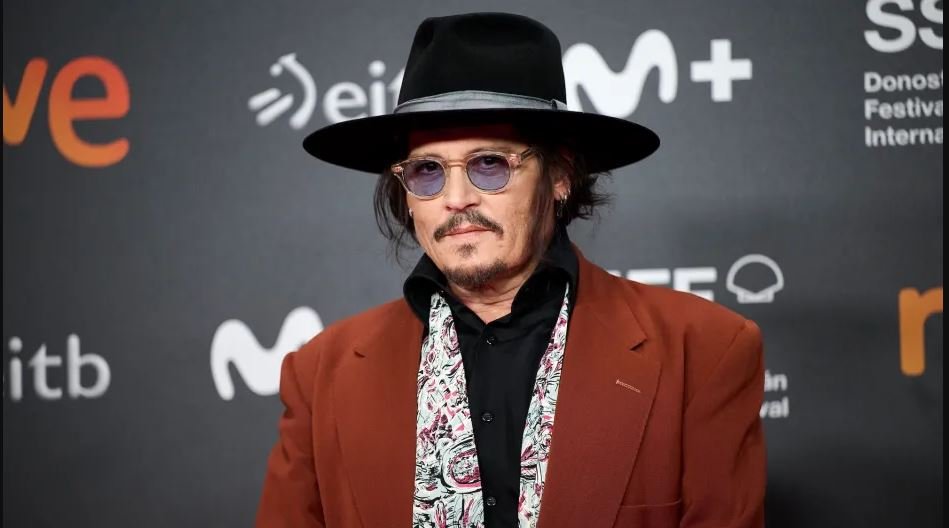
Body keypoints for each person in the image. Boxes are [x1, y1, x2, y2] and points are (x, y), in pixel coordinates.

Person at [256, 12, 766, 528]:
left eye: (490, 164)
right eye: (427, 171)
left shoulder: (702, 351)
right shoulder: (319, 374)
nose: (457, 198)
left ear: (560, 176)